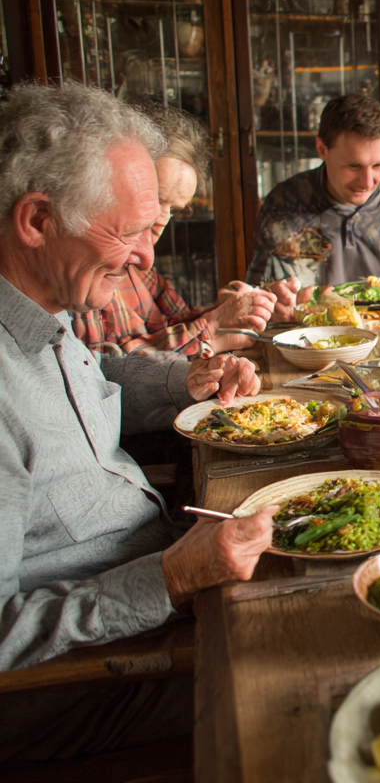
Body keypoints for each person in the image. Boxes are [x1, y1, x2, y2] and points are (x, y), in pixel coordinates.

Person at [0, 83, 276, 760]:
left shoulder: (43, 305)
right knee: (309, 682)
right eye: (128, 233)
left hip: (159, 562)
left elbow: (98, 377)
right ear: (37, 220)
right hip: (85, 679)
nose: (146, 259)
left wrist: (186, 377)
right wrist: (170, 579)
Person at [73, 101, 276, 358]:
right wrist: (213, 327)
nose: (161, 222)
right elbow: (106, 369)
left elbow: (173, 319)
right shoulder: (91, 263)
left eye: (175, 209)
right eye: (156, 199)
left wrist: (237, 308)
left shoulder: (139, 266)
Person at [246, 94, 380, 317]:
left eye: (379, 165)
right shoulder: (285, 203)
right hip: (312, 337)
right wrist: (271, 301)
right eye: (353, 166)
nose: (368, 182)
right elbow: (256, 293)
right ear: (322, 150)